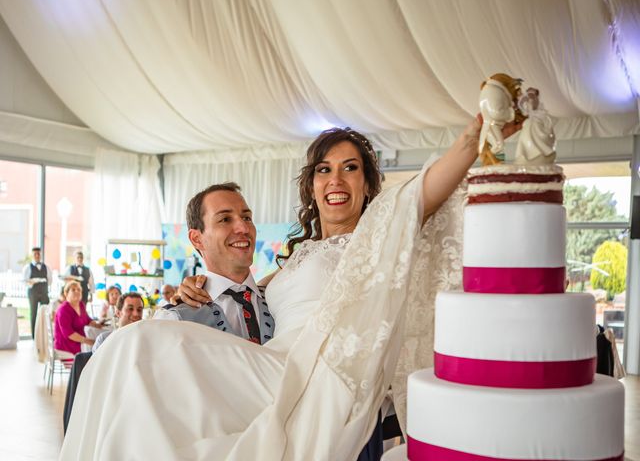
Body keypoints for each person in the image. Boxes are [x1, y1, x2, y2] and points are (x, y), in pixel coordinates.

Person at [62, 116, 502, 460]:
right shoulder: (301, 255)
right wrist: (192, 285)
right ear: (311, 185)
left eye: (351, 169)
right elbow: (247, 285)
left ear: (368, 183)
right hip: (267, 367)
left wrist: (477, 132)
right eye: (325, 170)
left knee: (136, 345)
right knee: (128, 359)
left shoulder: (378, 239)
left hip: (310, 375)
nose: (336, 180)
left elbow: (423, 192)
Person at [153, 183, 274, 344]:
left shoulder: (281, 298)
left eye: (247, 218)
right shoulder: (174, 320)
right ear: (197, 239)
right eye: (225, 219)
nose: (244, 228)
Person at [54, 281, 103, 355]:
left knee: (100, 340)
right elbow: (69, 334)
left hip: (79, 341)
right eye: (73, 290)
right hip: (67, 345)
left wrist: (96, 324)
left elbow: (87, 320)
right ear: (66, 293)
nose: (77, 291)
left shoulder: (81, 304)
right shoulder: (63, 310)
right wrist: (88, 341)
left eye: (79, 290)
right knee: (97, 349)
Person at [22, 247, 52, 339]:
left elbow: (50, 280)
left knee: (45, 313)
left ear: (41, 255)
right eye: (35, 254)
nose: (37, 255)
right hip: (33, 292)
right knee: (33, 313)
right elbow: (25, 281)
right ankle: (34, 336)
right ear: (32, 255)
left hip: (44, 293)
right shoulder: (27, 267)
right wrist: (31, 282)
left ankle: (44, 334)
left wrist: (44, 288)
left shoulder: (46, 267)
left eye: (38, 254)